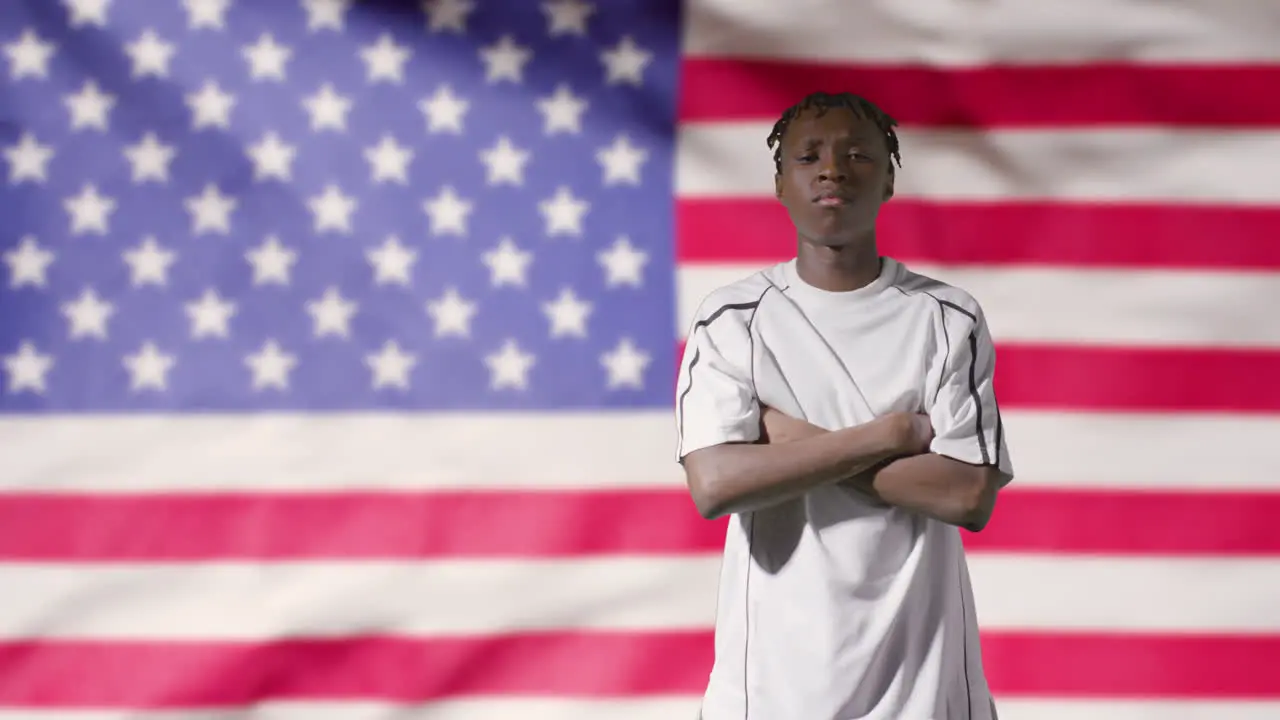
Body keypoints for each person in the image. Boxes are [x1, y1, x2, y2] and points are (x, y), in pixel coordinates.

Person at [674, 91, 1014, 720]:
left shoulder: (946, 318)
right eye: (808, 156)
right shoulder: (734, 319)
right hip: (772, 689)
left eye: (858, 154)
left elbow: (966, 496)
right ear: (780, 182)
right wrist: (891, 435)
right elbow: (716, 484)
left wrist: (784, 437)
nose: (832, 169)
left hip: (925, 686)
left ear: (889, 180)